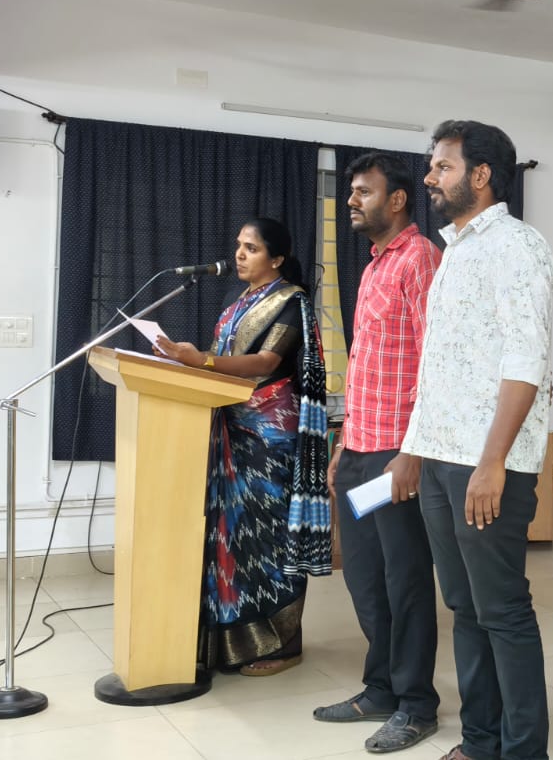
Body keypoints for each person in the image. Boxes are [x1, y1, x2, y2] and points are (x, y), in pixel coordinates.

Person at [399, 121, 553, 760]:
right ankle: (479, 742)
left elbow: (525, 360)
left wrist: (493, 463)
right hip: (441, 458)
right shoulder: (456, 251)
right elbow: (437, 366)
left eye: (443, 166)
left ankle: (524, 752)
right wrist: (412, 449)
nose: (430, 177)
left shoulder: (518, 246)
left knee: (503, 611)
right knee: (464, 607)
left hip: (486, 464)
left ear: (481, 175)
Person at [155, 217, 332, 676]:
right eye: (239, 245)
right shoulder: (237, 303)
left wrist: (203, 360)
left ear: (277, 258)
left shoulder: (291, 301)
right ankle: (232, 644)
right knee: (232, 537)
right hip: (231, 425)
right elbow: (222, 363)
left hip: (270, 436)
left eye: (251, 248)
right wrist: (185, 362)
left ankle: (282, 643)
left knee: (268, 538)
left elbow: (267, 361)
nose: (239, 254)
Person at [313, 153, 443, 753]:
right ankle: (381, 688)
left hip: (397, 453)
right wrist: (343, 447)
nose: (352, 201)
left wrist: (412, 453)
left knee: (406, 580)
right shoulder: (373, 266)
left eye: (363, 191)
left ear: (396, 199)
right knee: (366, 579)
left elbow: (433, 364)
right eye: (352, 192)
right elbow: (366, 366)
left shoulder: (420, 259)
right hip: (362, 451)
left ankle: (417, 705)